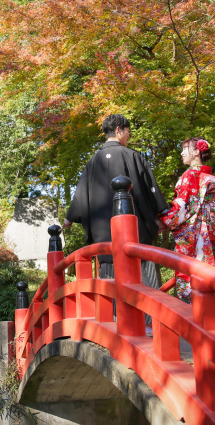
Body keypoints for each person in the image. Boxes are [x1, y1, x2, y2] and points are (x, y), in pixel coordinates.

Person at [62, 114, 168, 330]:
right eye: (128, 132)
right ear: (119, 130)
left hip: (105, 237)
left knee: (110, 281)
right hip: (136, 233)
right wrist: (159, 216)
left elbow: (81, 193)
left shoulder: (93, 161)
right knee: (145, 274)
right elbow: (149, 190)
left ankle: (116, 325)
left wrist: (70, 217)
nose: (129, 136)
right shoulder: (133, 157)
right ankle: (152, 326)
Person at [160, 138, 215, 305]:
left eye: (185, 149)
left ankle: (195, 318)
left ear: (196, 152)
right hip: (212, 238)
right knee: (213, 275)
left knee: (192, 275)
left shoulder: (189, 176)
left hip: (195, 238)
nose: (181, 153)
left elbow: (181, 206)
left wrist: (162, 219)